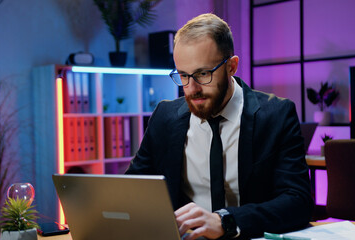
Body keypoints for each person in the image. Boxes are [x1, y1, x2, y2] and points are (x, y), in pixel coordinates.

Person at [126, 13, 313, 240]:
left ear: (232, 66)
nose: (191, 88)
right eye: (183, 75)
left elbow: (298, 202)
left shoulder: (277, 115)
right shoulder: (165, 116)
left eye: (203, 73)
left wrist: (226, 220)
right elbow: (133, 188)